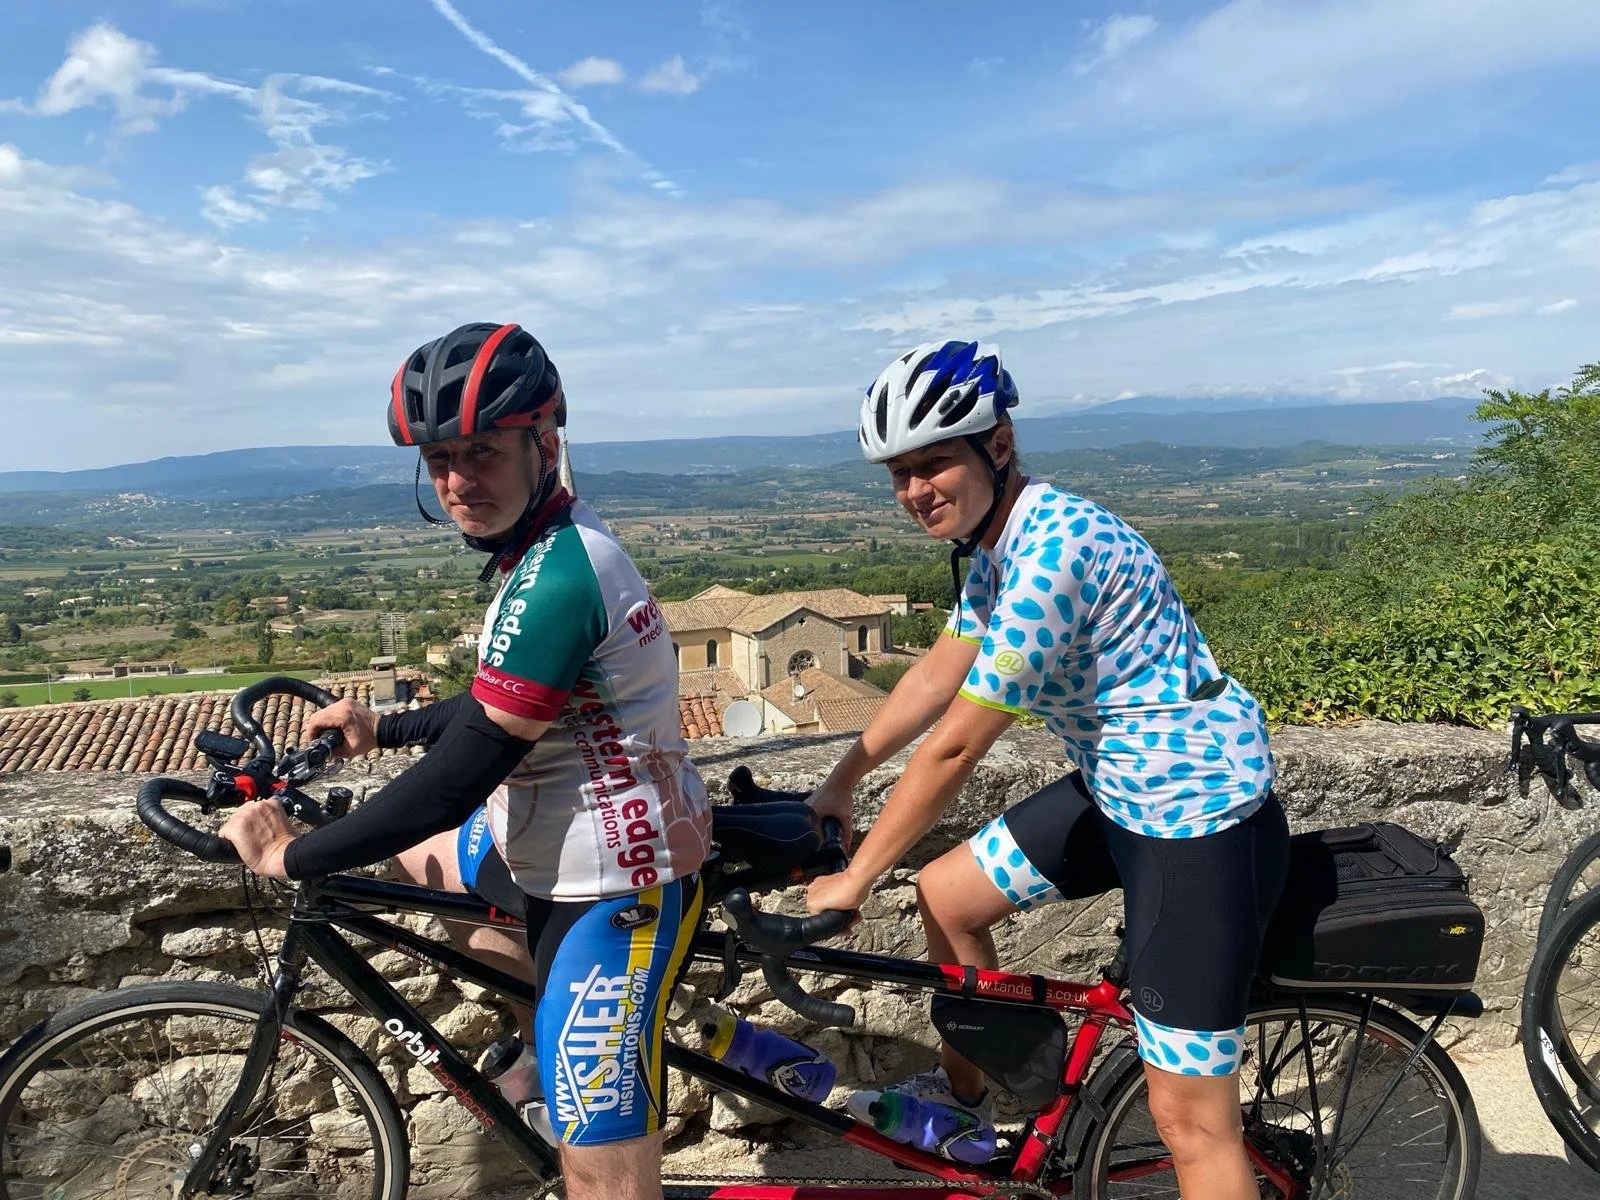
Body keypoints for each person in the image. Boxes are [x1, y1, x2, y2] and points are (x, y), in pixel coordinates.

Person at [220, 322, 713, 1200]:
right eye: (440, 458)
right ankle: (544, 1028)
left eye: (481, 452)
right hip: (549, 845)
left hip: (615, 880)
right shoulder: (542, 550)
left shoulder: (561, 573)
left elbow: (469, 767)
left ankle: (587, 1056)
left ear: (545, 445)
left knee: (598, 1174)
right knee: (429, 865)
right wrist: (384, 727)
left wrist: (291, 854)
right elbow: (495, 703)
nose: (456, 480)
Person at [803, 341, 1288, 1200]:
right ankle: (972, 1105)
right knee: (948, 895)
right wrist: (843, 778)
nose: (916, 490)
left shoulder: (1052, 551)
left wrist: (858, 877)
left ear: (997, 444)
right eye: (899, 473)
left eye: (934, 462)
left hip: (1196, 819)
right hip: (1118, 788)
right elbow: (933, 674)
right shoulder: (999, 542)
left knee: (1189, 1122)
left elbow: (958, 743)